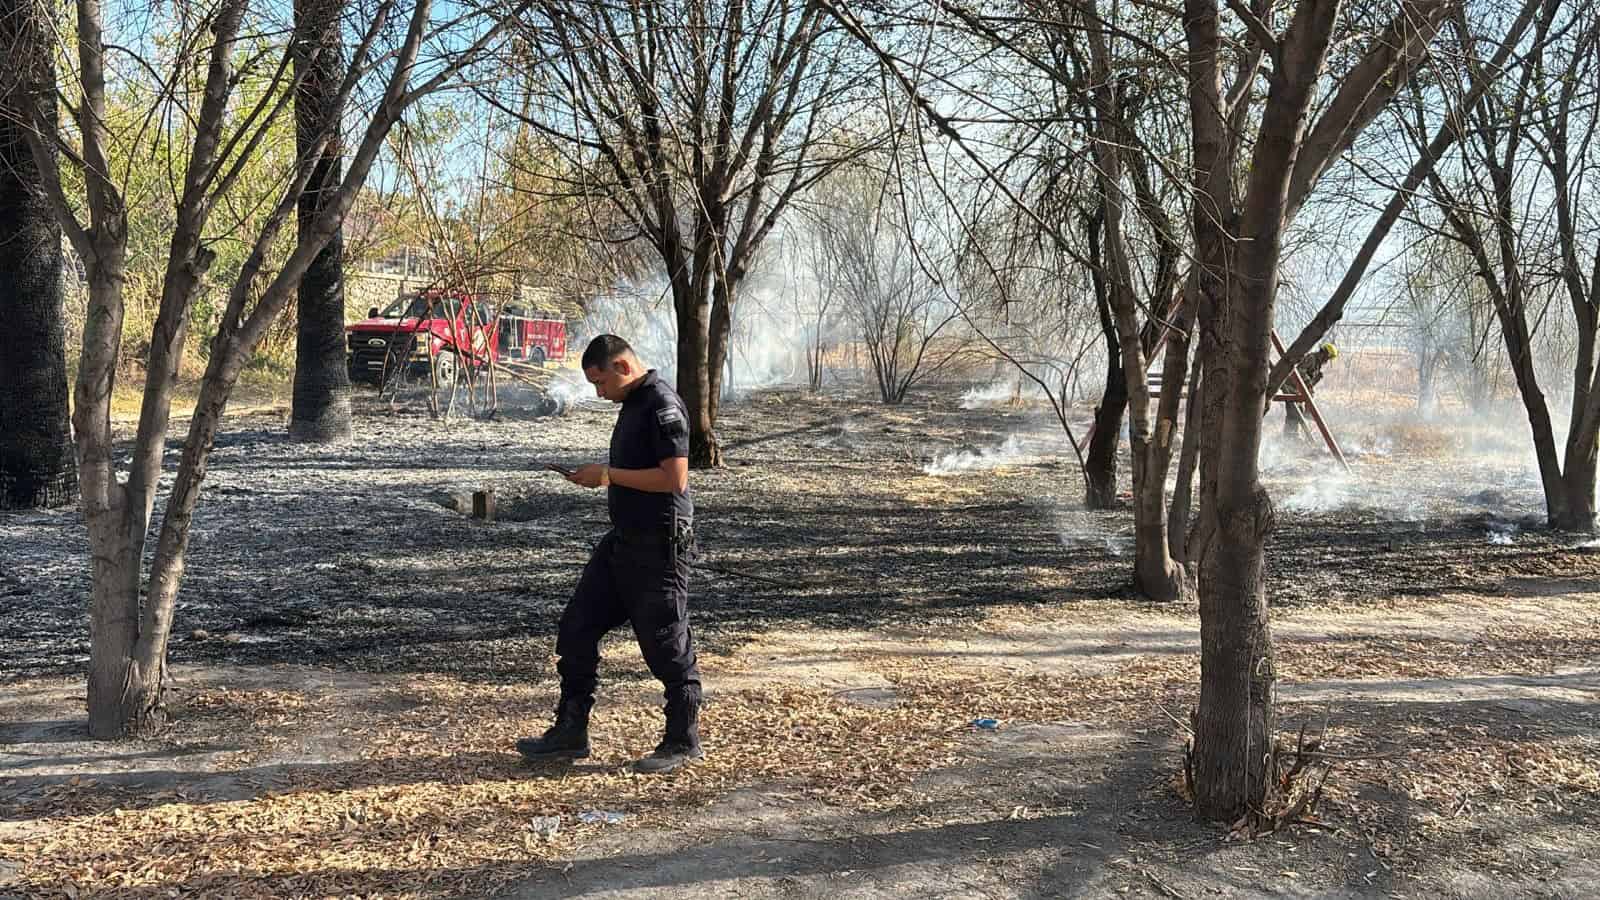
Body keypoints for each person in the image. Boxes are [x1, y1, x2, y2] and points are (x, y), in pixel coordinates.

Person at [516, 335, 705, 774]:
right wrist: (605, 477)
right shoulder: (633, 403)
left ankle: (682, 739)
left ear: (622, 366)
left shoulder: (662, 404)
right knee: (578, 626)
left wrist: (605, 476)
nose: (599, 393)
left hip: (659, 544)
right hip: (623, 540)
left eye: (601, 382)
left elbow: (674, 478)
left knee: (666, 644)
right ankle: (571, 731)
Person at [1284, 342, 1338, 439]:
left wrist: (1315, 379)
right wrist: (1309, 383)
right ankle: (1290, 436)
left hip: (1298, 389)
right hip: (1291, 386)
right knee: (1295, 411)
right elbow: (1300, 371)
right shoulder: (1311, 358)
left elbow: (1308, 383)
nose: (1326, 361)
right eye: (1327, 358)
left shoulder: (1317, 363)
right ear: (1323, 353)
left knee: (1296, 411)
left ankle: (1292, 435)